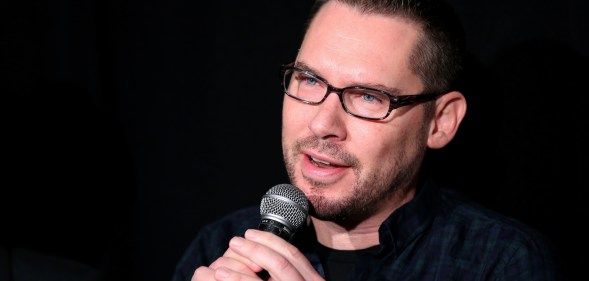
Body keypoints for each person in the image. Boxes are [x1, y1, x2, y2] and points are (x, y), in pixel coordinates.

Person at [172, 0, 567, 280]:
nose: (322, 124)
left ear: (441, 122)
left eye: (368, 97)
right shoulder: (220, 250)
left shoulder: (500, 262)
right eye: (309, 80)